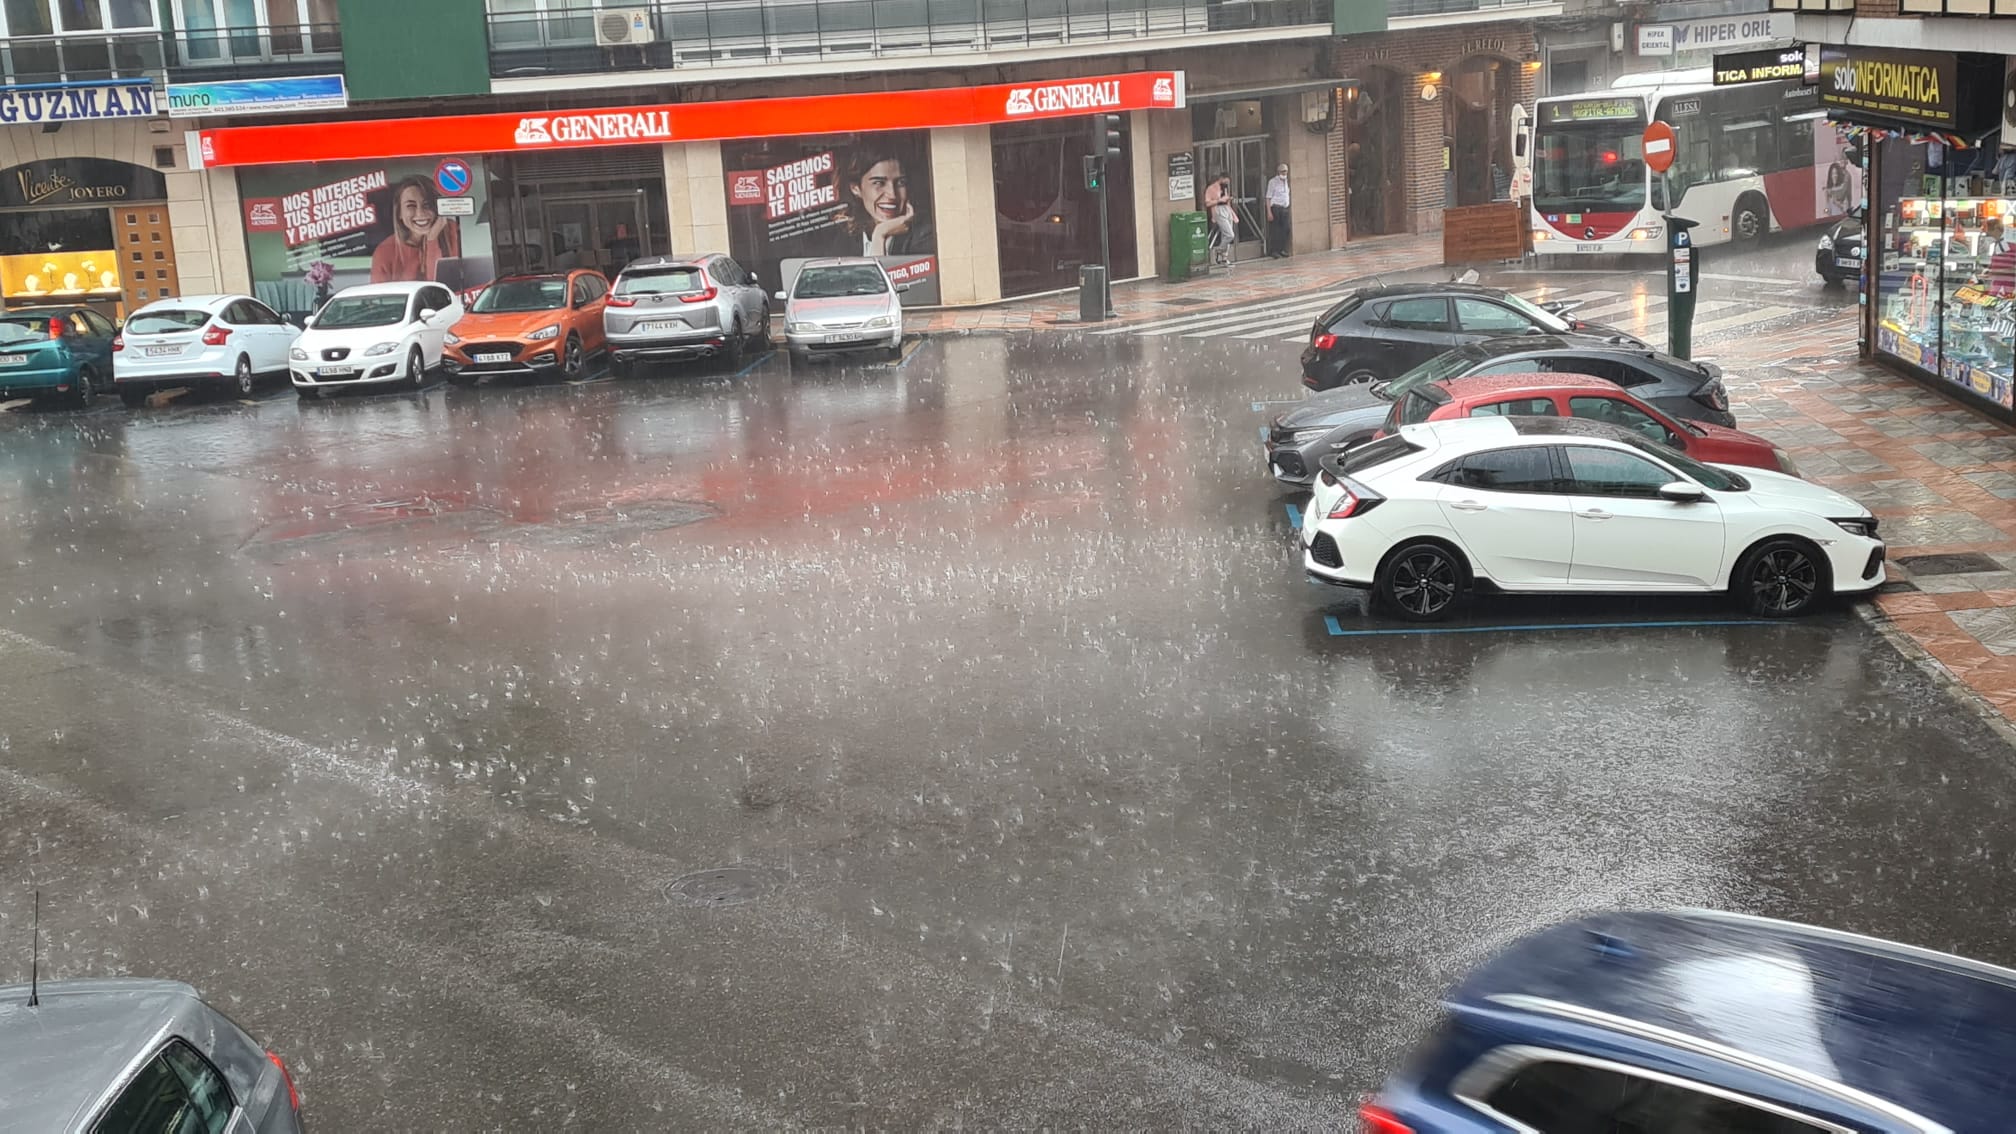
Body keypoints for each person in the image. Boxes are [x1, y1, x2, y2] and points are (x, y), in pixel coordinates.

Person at [370, 175, 460, 284]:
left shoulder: (452, 232)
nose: (420, 213)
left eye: (427, 205)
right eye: (411, 206)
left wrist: (432, 239)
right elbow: (380, 298)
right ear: (399, 213)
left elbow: (441, 286)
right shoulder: (384, 251)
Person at [844, 151, 933, 257]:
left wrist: (880, 233)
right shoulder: (840, 242)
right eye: (879, 183)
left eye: (901, 183)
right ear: (856, 189)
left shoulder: (925, 235)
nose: (892, 195)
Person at [1204, 173, 1237, 270]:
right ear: (1221, 179)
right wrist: (1219, 200)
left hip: (1227, 209)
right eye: (1225, 180)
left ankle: (1224, 257)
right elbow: (1207, 202)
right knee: (1229, 234)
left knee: (1225, 234)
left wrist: (1227, 199)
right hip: (1218, 210)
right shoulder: (1211, 188)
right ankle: (1218, 249)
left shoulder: (1225, 188)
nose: (1226, 183)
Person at [1264, 163, 1291, 259]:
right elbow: (1268, 197)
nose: (1285, 173)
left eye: (1286, 171)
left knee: (1286, 229)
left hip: (1284, 208)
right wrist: (1269, 212)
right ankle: (1274, 250)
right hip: (1275, 208)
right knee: (1276, 230)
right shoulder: (1273, 182)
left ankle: (1282, 249)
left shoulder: (1286, 181)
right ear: (1278, 171)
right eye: (1283, 171)